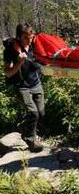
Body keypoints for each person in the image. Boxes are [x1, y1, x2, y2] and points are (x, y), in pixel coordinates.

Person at [3, 24, 44, 152]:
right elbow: (8, 72)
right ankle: (30, 140)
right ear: (19, 37)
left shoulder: (34, 45)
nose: (29, 40)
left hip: (36, 83)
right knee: (33, 113)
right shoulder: (10, 50)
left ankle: (24, 128)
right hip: (22, 87)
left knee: (41, 113)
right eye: (26, 38)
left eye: (31, 37)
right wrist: (19, 62)